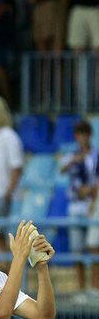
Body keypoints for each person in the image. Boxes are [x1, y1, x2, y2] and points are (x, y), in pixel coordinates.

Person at [61, 122, 99, 297]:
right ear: (76, 136)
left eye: (85, 134)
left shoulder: (97, 154)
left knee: (94, 247)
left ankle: (95, 288)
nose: (82, 138)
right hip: (76, 206)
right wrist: (73, 161)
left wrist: (92, 193)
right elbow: (62, 169)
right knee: (77, 250)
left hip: (93, 206)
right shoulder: (72, 155)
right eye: (79, 134)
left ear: (90, 135)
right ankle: (81, 289)